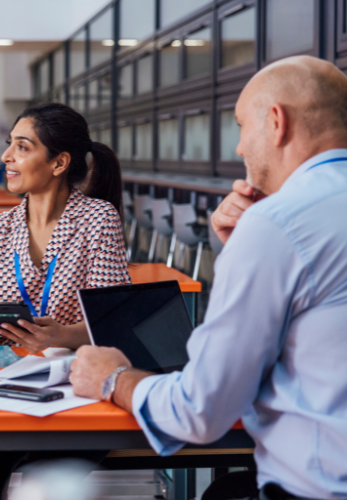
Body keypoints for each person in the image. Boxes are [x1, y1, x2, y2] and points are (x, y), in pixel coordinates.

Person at [71, 55, 347, 500]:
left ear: (276, 122)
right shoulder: (280, 224)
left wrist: (113, 378)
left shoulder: (278, 224)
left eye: (241, 126)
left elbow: (201, 410)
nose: (239, 149)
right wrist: (240, 247)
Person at [0, 103, 131, 500]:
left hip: (74, 387)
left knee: (43, 486)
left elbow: (112, 328)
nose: (6, 157)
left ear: (59, 162)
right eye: (9, 144)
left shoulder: (98, 220)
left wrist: (62, 334)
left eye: (22, 147)